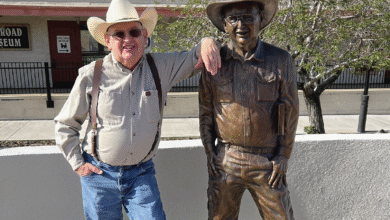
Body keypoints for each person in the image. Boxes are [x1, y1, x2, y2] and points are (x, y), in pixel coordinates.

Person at [54, 0, 220, 219]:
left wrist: (208, 41)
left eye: (133, 32)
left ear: (144, 36)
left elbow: (195, 56)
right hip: (99, 177)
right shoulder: (90, 75)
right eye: (119, 34)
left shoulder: (161, 67)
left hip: (141, 174)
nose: (127, 40)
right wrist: (79, 165)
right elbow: (65, 124)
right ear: (107, 40)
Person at [199, 0, 299, 219]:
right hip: (227, 159)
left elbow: (290, 112)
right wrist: (210, 153)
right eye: (233, 19)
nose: (240, 25)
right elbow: (206, 112)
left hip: (267, 161)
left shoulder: (281, 60)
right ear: (225, 25)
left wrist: (283, 155)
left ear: (260, 20)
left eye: (247, 17)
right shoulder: (215, 62)